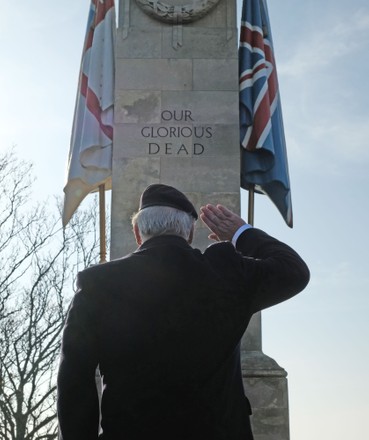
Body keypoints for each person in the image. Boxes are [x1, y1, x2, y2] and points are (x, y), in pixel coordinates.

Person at [57, 183, 310, 440]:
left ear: (137, 232)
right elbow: (294, 272)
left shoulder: (98, 284)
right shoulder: (226, 273)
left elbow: (74, 379)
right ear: (189, 232)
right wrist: (241, 233)